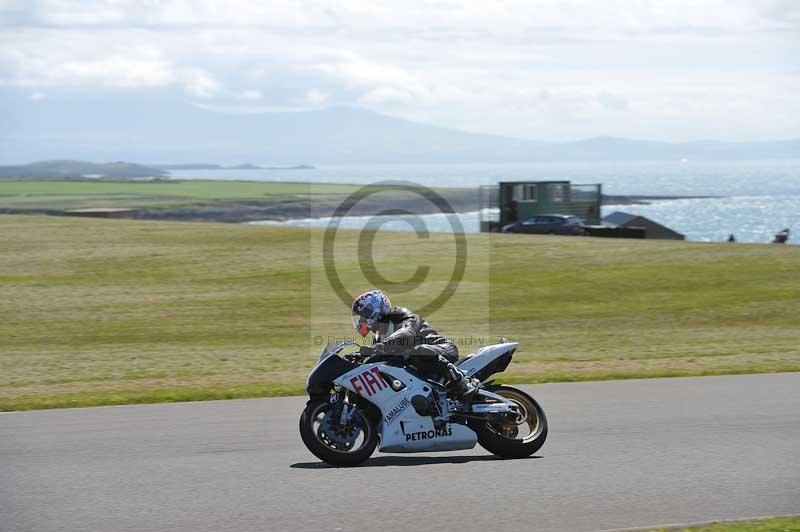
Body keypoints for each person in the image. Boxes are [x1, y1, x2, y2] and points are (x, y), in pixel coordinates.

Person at [351, 289, 480, 398]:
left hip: (442, 349)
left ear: (375, 310)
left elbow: (406, 335)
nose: (361, 321)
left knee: (418, 350)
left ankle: (462, 381)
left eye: (363, 316)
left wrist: (378, 348)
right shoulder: (379, 337)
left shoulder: (406, 317)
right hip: (422, 364)